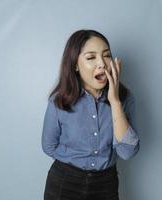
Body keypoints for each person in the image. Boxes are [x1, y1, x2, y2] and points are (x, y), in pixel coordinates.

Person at [41, 29, 140, 200]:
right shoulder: (59, 100)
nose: (102, 63)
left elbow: (128, 152)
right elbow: (48, 145)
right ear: (75, 65)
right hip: (65, 182)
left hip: (106, 185)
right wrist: (75, 163)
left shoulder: (125, 99)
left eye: (107, 55)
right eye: (91, 57)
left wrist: (114, 101)